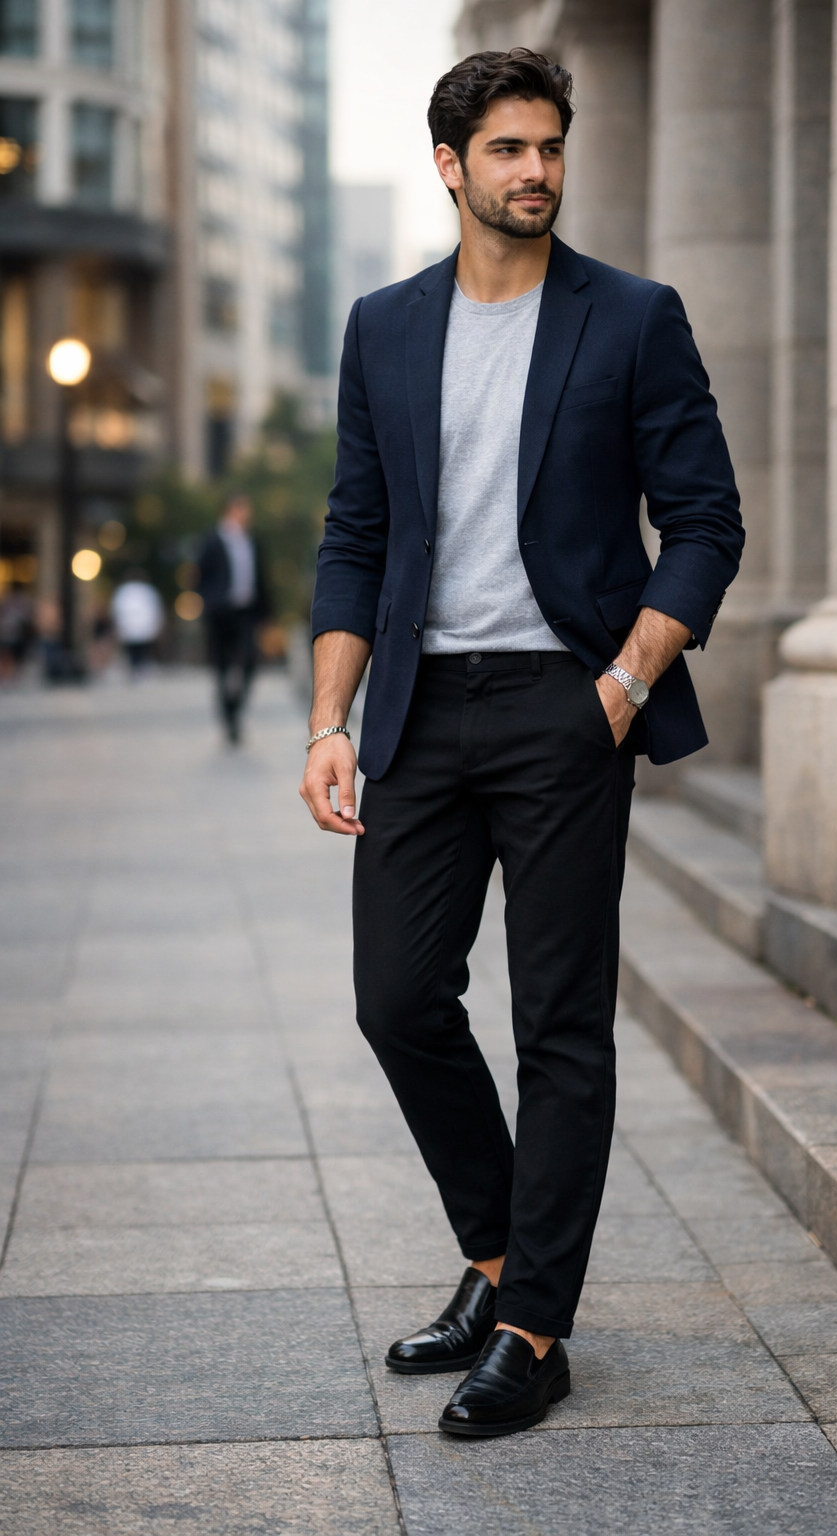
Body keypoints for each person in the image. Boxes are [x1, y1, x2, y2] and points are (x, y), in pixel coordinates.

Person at [300, 49, 744, 1439]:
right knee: (397, 998)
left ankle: (535, 1328)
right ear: (451, 166)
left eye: (549, 145)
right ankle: (497, 1262)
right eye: (505, 149)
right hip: (422, 712)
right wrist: (330, 718)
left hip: (567, 707)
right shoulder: (383, 327)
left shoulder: (631, 318)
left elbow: (708, 521)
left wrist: (623, 680)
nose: (535, 170)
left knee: (560, 1023)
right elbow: (356, 531)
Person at [197, 491, 270, 743]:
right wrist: (209, 601)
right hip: (220, 612)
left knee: (249, 660)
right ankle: (228, 718)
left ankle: (233, 707)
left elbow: (261, 578)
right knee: (221, 666)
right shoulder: (212, 540)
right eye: (242, 508)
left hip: (246, 612)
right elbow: (199, 575)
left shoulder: (253, 540)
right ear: (230, 510)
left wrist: (266, 613)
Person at [110, 574, 164, 677]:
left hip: (133, 627)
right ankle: (139, 669)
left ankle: (137, 669)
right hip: (141, 627)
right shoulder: (148, 591)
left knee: (135, 650)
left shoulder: (123, 592)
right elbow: (155, 610)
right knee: (140, 650)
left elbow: (116, 611)